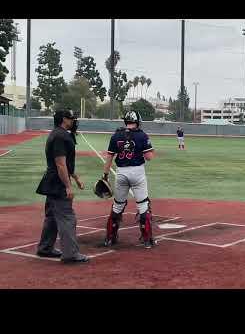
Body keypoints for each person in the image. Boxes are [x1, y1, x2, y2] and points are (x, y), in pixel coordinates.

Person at [35, 109, 89, 264]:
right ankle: (71, 254)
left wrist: (76, 178)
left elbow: (66, 164)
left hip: (51, 181)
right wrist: (68, 186)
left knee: (52, 216)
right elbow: (60, 163)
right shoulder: (60, 136)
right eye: (71, 119)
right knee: (67, 218)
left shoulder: (58, 133)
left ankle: (45, 247)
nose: (73, 121)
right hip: (58, 183)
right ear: (64, 119)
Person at [102, 110, 156, 249]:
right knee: (143, 204)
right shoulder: (142, 135)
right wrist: (150, 149)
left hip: (121, 173)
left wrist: (105, 175)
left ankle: (110, 238)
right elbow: (149, 157)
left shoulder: (116, 135)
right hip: (137, 172)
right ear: (137, 121)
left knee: (118, 205)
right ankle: (147, 240)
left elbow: (109, 157)